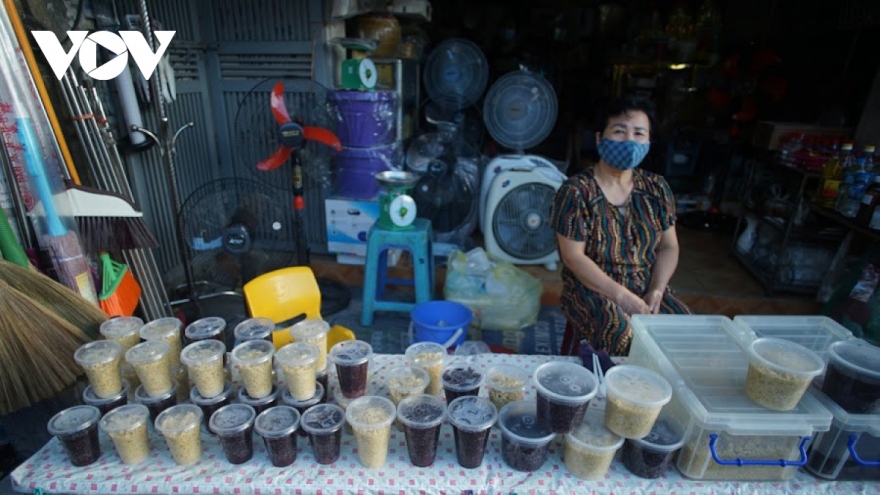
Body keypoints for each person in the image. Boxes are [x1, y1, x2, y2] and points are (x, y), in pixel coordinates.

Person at [550, 95, 691, 356]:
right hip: (591, 288)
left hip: (645, 283)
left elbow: (669, 247)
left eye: (639, 133)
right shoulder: (576, 191)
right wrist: (623, 298)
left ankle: (662, 395)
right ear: (599, 138)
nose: (629, 141)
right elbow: (573, 258)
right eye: (619, 131)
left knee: (682, 333)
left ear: (648, 142)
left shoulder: (657, 188)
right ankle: (620, 393)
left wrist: (657, 290)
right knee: (623, 336)